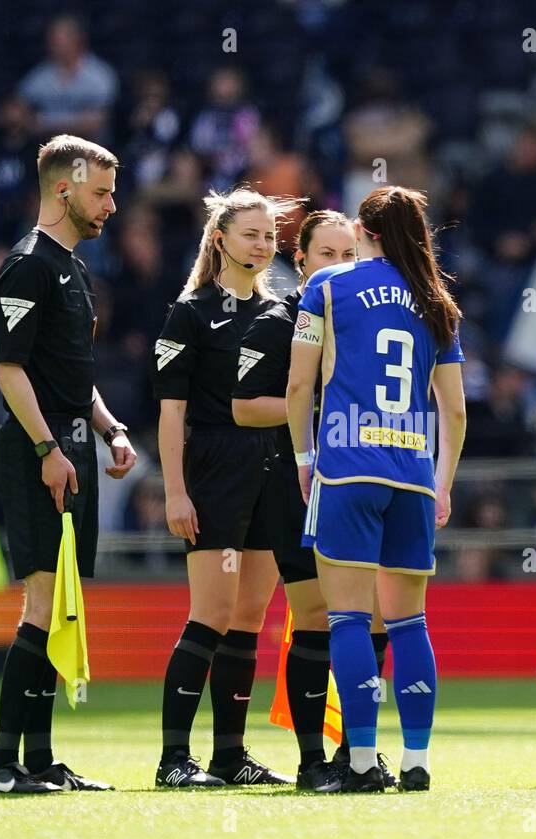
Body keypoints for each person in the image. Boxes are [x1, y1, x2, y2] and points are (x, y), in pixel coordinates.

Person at [287, 185, 467, 792]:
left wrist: (306, 460)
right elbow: (457, 411)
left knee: (346, 619)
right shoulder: (435, 301)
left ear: (364, 233)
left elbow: (297, 389)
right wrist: (441, 484)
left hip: (347, 468)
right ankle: (416, 761)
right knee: (409, 623)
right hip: (414, 474)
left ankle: (361, 762)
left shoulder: (327, 287)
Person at [0, 134, 138, 795]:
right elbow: (9, 370)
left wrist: (109, 429)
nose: (111, 204)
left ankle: (41, 761)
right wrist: (48, 448)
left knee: (62, 607)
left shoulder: (74, 269)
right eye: (102, 192)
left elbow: (71, 375)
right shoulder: (27, 266)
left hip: (72, 448)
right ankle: (0, 766)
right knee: (41, 604)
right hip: (35, 450)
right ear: (64, 189)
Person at [231, 210, 394, 792]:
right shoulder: (278, 324)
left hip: (358, 479)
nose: (338, 266)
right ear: (300, 261)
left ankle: (359, 752)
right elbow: (245, 407)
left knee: (372, 615)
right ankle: (309, 761)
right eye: (326, 254)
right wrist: (318, 414)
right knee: (318, 617)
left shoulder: (364, 326)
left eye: (349, 255)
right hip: (291, 485)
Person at [152, 187, 300, 788]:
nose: (264, 245)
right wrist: (175, 492)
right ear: (220, 238)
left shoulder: (279, 314)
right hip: (214, 465)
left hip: (270, 464)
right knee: (209, 614)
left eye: (270, 236)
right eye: (251, 234)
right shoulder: (189, 313)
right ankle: (172, 760)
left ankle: (229, 756)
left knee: (247, 618)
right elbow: (170, 414)